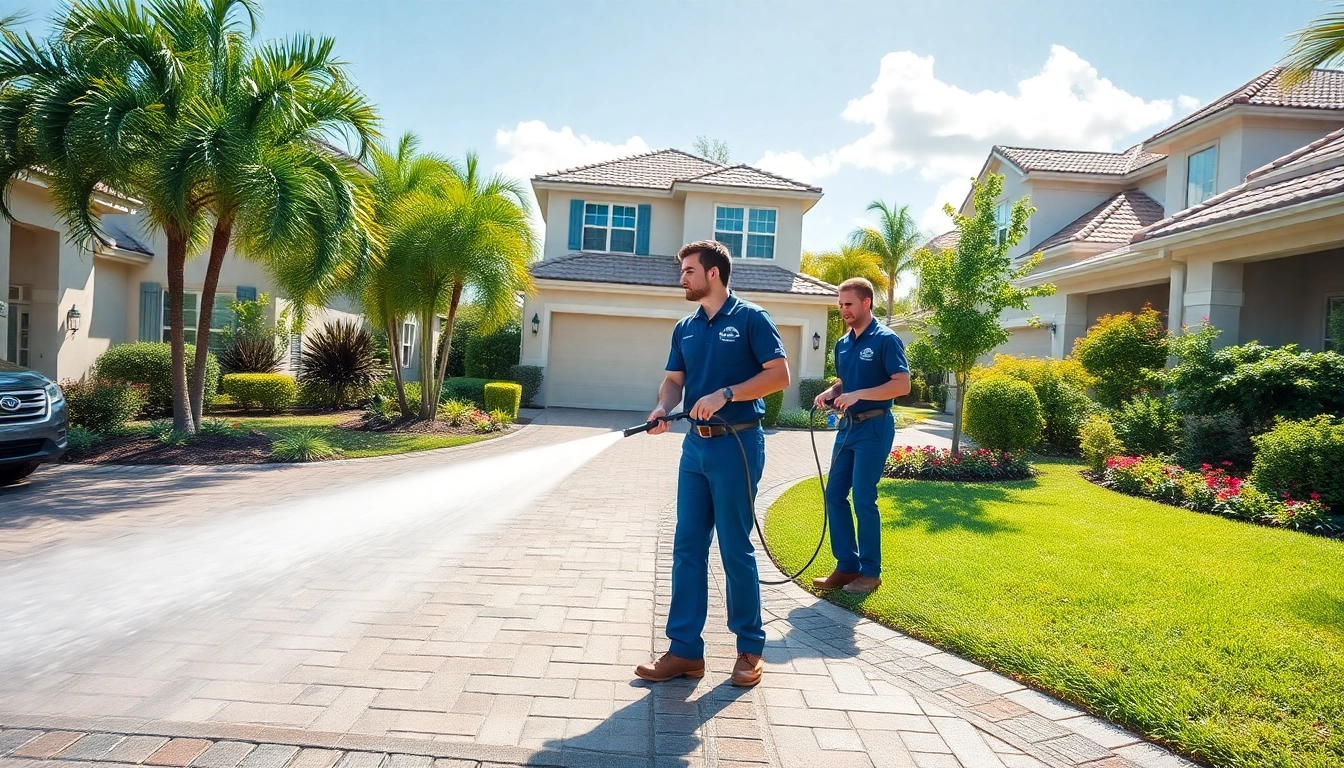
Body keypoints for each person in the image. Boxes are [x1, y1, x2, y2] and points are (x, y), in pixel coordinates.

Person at [634, 239, 790, 688]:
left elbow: (778, 375)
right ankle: (684, 652)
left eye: (687, 271)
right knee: (686, 547)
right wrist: (663, 408)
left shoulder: (751, 318)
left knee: (734, 547)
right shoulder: (685, 327)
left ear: (713, 274)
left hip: (737, 445)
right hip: (694, 451)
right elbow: (672, 382)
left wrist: (727, 393)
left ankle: (749, 649)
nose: (680, 278)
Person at [812, 277, 910, 594]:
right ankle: (847, 566)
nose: (843, 310)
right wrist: (832, 392)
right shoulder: (843, 344)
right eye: (840, 305)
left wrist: (859, 395)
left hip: (875, 427)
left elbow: (902, 384)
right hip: (848, 427)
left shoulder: (885, 339)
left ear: (866, 302)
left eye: (848, 304)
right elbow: (846, 383)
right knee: (834, 494)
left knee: (864, 497)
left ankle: (871, 572)